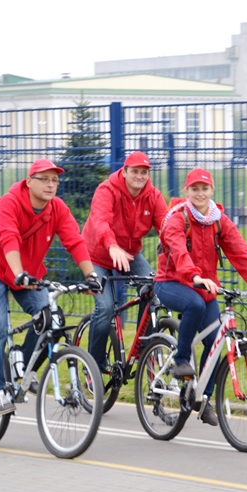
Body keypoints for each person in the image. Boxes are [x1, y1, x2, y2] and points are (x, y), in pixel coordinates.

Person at [0, 158, 101, 414]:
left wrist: (91, 276)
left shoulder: (57, 209)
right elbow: (8, 237)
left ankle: (21, 363)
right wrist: (19, 273)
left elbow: (74, 241)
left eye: (55, 180)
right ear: (29, 181)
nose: (51, 184)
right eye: (44, 179)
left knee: (51, 318)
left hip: (27, 274)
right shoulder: (11, 202)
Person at [155, 168, 247, 426]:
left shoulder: (218, 219)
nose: (200, 193)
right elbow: (177, 249)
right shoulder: (178, 217)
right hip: (171, 282)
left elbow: (239, 250)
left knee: (215, 341)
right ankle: (181, 360)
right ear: (186, 192)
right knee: (195, 304)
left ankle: (203, 398)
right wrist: (194, 276)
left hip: (205, 286)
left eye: (205, 188)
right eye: (195, 189)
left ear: (212, 191)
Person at [81, 151, 168, 373]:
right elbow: (100, 221)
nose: (139, 176)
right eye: (135, 171)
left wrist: (173, 245)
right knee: (106, 306)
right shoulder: (107, 190)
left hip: (128, 254)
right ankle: (93, 364)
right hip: (97, 253)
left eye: (144, 172)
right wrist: (112, 245)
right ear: (125, 171)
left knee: (153, 290)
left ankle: (143, 350)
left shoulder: (153, 196)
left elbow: (167, 226)